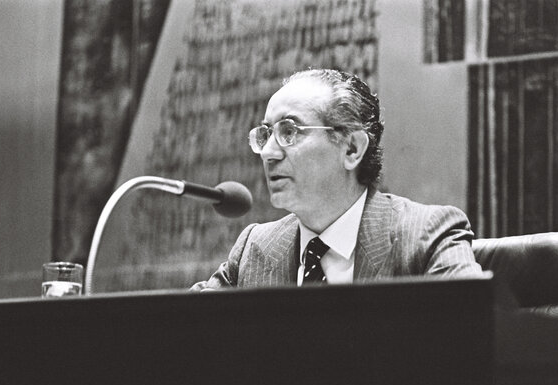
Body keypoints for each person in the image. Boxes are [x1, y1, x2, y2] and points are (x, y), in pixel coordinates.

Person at [191, 68, 482, 290]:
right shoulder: (254, 248)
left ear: (352, 148)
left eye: (289, 131)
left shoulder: (427, 236)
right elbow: (180, 337)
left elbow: (471, 342)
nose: (268, 152)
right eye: (265, 135)